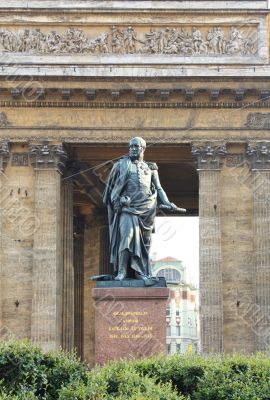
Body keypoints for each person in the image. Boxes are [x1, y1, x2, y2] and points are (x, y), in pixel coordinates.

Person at [103, 137, 181, 284]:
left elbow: (158, 188)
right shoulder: (120, 166)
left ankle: (140, 272)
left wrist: (167, 202)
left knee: (145, 243)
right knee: (127, 237)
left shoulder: (151, 168)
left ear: (143, 149)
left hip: (146, 209)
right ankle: (122, 271)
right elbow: (110, 191)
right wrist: (119, 200)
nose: (133, 149)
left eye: (136, 146)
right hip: (128, 209)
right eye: (131, 146)